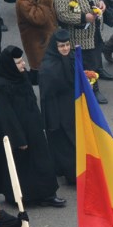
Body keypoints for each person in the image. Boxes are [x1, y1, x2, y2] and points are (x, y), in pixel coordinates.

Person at [0, 45, 65, 207]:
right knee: (21, 167)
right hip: (17, 133)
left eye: (22, 61)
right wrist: (19, 140)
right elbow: (6, 117)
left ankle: (47, 194)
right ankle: (21, 196)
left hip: (32, 129)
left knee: (42, 161)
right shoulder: (0, 86)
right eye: (19, 62)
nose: (23, 64)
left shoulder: (20, 76)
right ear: (9, 66)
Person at [54, 0, 113, 104]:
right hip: (81, 37)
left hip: (95, 30)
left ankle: (98, 72)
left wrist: (101, 1)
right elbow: (62, 15)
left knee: (96, 54)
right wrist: (83, 17)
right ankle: (93, 90)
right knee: (87, 64)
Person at [39, 30, 76, 184]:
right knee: (65, 143)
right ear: (55, 47)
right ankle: (72, 175)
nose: (65, 49)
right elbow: (47, 95)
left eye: (67, 45)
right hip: (57, 111)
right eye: (61, 46)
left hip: (70, 107)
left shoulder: (69, 58)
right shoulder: (49, 67)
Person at [15, 0, 57, 85]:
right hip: (36, 41)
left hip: (47, 37)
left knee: (47, 67)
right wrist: (45, 0)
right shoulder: (23, 1)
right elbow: (39, 19)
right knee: (40, 69)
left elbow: (51, 11)